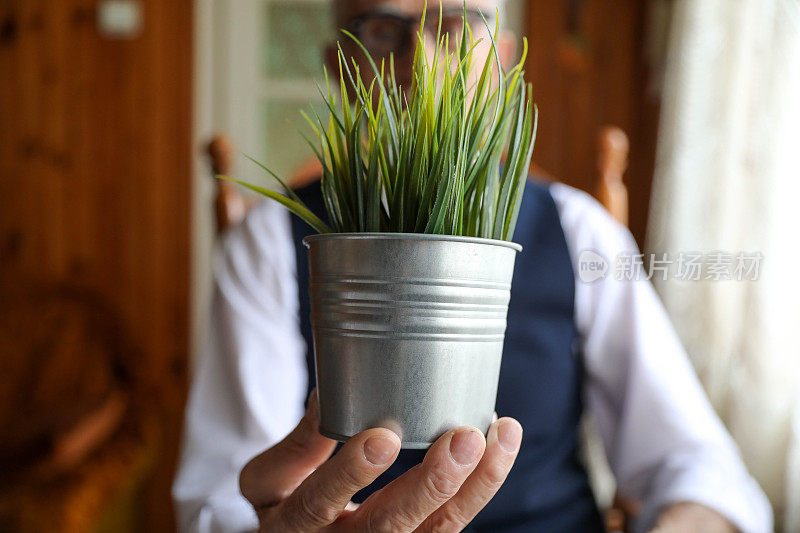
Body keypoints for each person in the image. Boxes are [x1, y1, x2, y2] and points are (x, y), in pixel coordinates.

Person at [173, 1, 773, 531]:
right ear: (339, 65)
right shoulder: (271, 241)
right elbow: (221, 494)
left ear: (504, 57)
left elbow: (697, 466)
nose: (425, 59)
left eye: (457, 28)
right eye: (383, 30)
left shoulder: (579, 229)